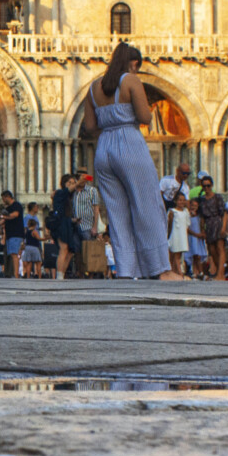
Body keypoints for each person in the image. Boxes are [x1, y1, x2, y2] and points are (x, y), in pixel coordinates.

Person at [81, 43, 176, 281]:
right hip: (129, 143)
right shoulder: (131, 81)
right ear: (133, 63)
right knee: (148, 206)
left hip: (104, 148)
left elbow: (90, 127)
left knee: (116, 212)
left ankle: (126, 270)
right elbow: (144, 117)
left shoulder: (93, 88)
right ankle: (160, 270)